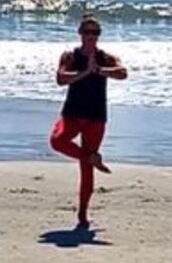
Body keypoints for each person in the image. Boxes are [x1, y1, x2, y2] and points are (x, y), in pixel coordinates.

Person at [49, 14, 127, 229]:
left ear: (99, 35)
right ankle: (92, 157)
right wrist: (84, 73)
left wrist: (100, 71)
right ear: (80, 33)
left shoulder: (105, 57)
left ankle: (83, 213)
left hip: (96, 116)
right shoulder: (70, 56)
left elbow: (123, 73)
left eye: (95, 32)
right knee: (57, 140)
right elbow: (60, 78)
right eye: (87, 32)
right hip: (72, 114)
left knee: (86, 169)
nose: (91, 36)